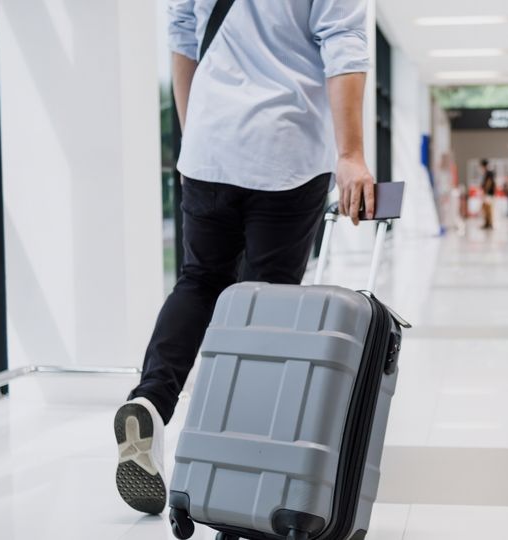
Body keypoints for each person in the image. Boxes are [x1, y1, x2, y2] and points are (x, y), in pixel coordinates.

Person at [114, 0, 375, 515]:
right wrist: (350, 154)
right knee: (268, 309)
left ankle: (149, 401)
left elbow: (183, 34)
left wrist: (196, 138)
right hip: (286, 147)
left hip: (210, 147)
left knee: (198, 282)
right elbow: (344, 43)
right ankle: (242, 454)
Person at [479, 159, 496, 230]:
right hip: (487, 193)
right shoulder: (486, 173)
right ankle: (486, 223)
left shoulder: (489, 173)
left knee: (488, 209)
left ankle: (490, 223)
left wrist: (485, 191)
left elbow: (489, 183)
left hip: (488, 193)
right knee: (485, 208)